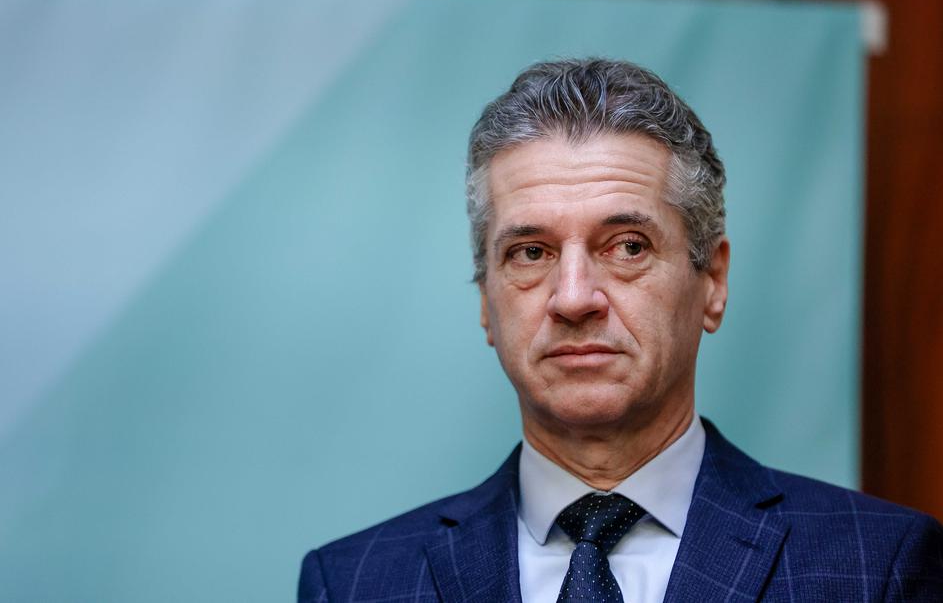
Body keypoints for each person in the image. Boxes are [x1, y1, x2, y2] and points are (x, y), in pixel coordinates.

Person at [298, 58, 943, 602]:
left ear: (713, 281)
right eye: (530, 253)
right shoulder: (353, 583)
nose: (574, 298)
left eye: (628, 246)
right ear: (485, 300)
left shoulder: (878, 568)